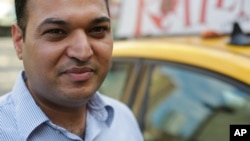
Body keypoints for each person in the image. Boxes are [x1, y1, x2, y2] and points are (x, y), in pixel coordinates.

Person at [0, 0, 143, 140]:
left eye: (97, 29)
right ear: (19, 41)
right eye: (56, 31)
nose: (83, 52)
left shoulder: (123, 121)